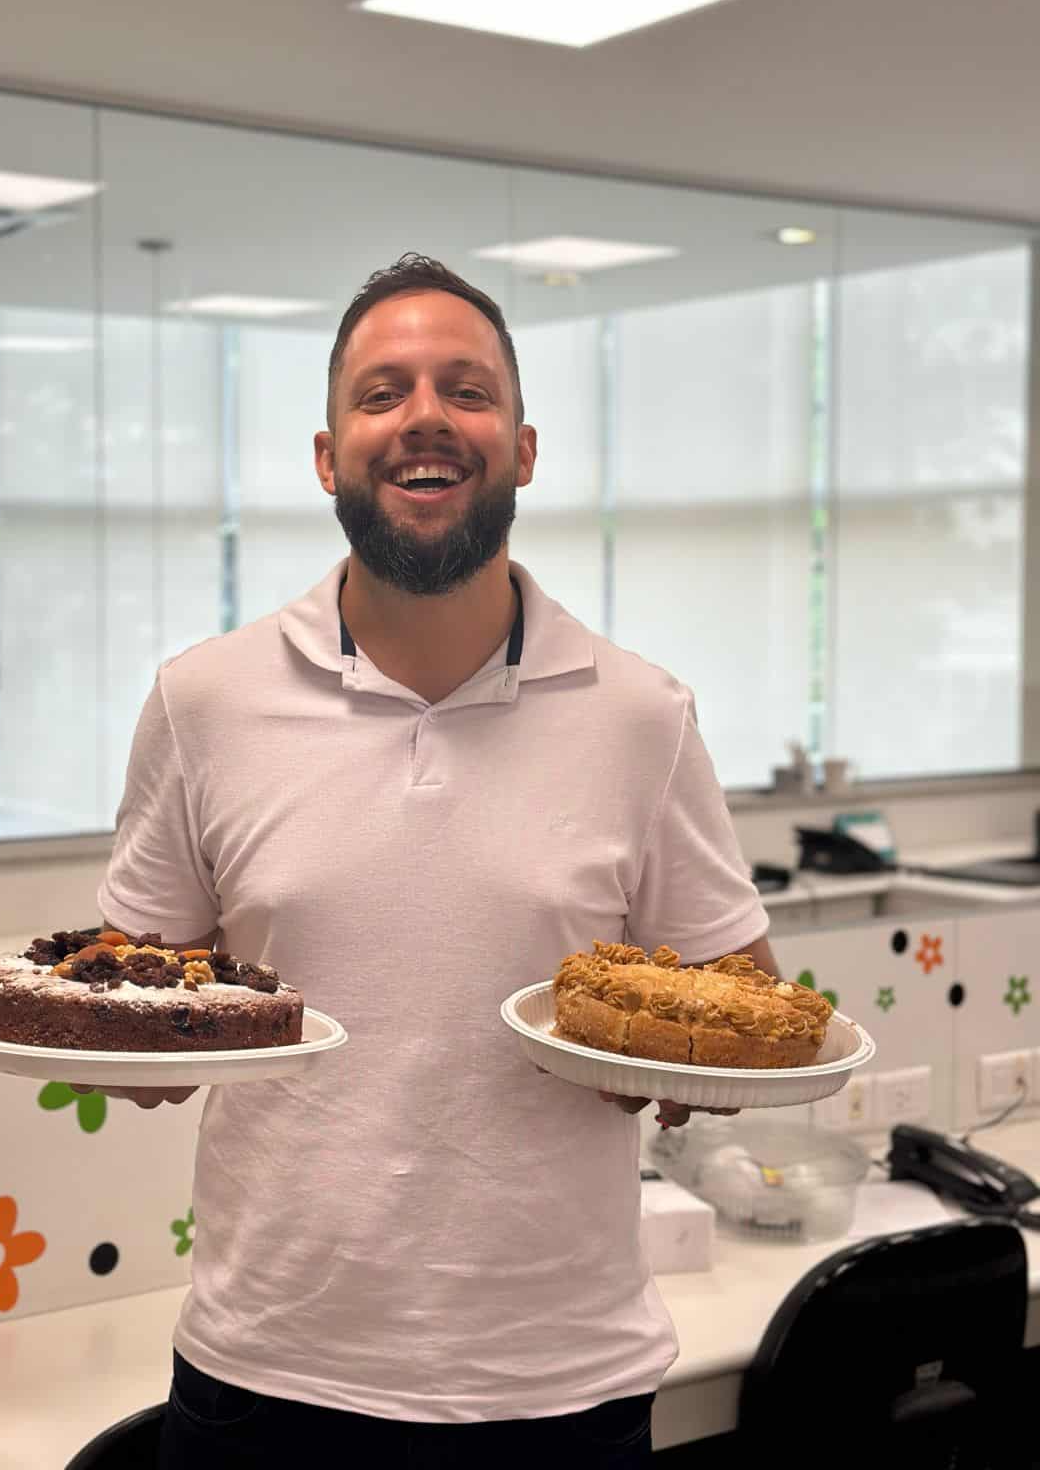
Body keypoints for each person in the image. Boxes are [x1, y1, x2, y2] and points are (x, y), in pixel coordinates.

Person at [90, 253, 778, 1468]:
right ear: (326, 454)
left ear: (521, 446)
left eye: (465, 390)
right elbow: (142, 1008)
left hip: (562, 1388)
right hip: (266, 1377)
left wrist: (663, 1064)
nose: (424, 417)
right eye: (382, 392)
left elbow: (746, 1016)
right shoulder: (203, 699)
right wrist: (139, 1050)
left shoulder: (642, 713)